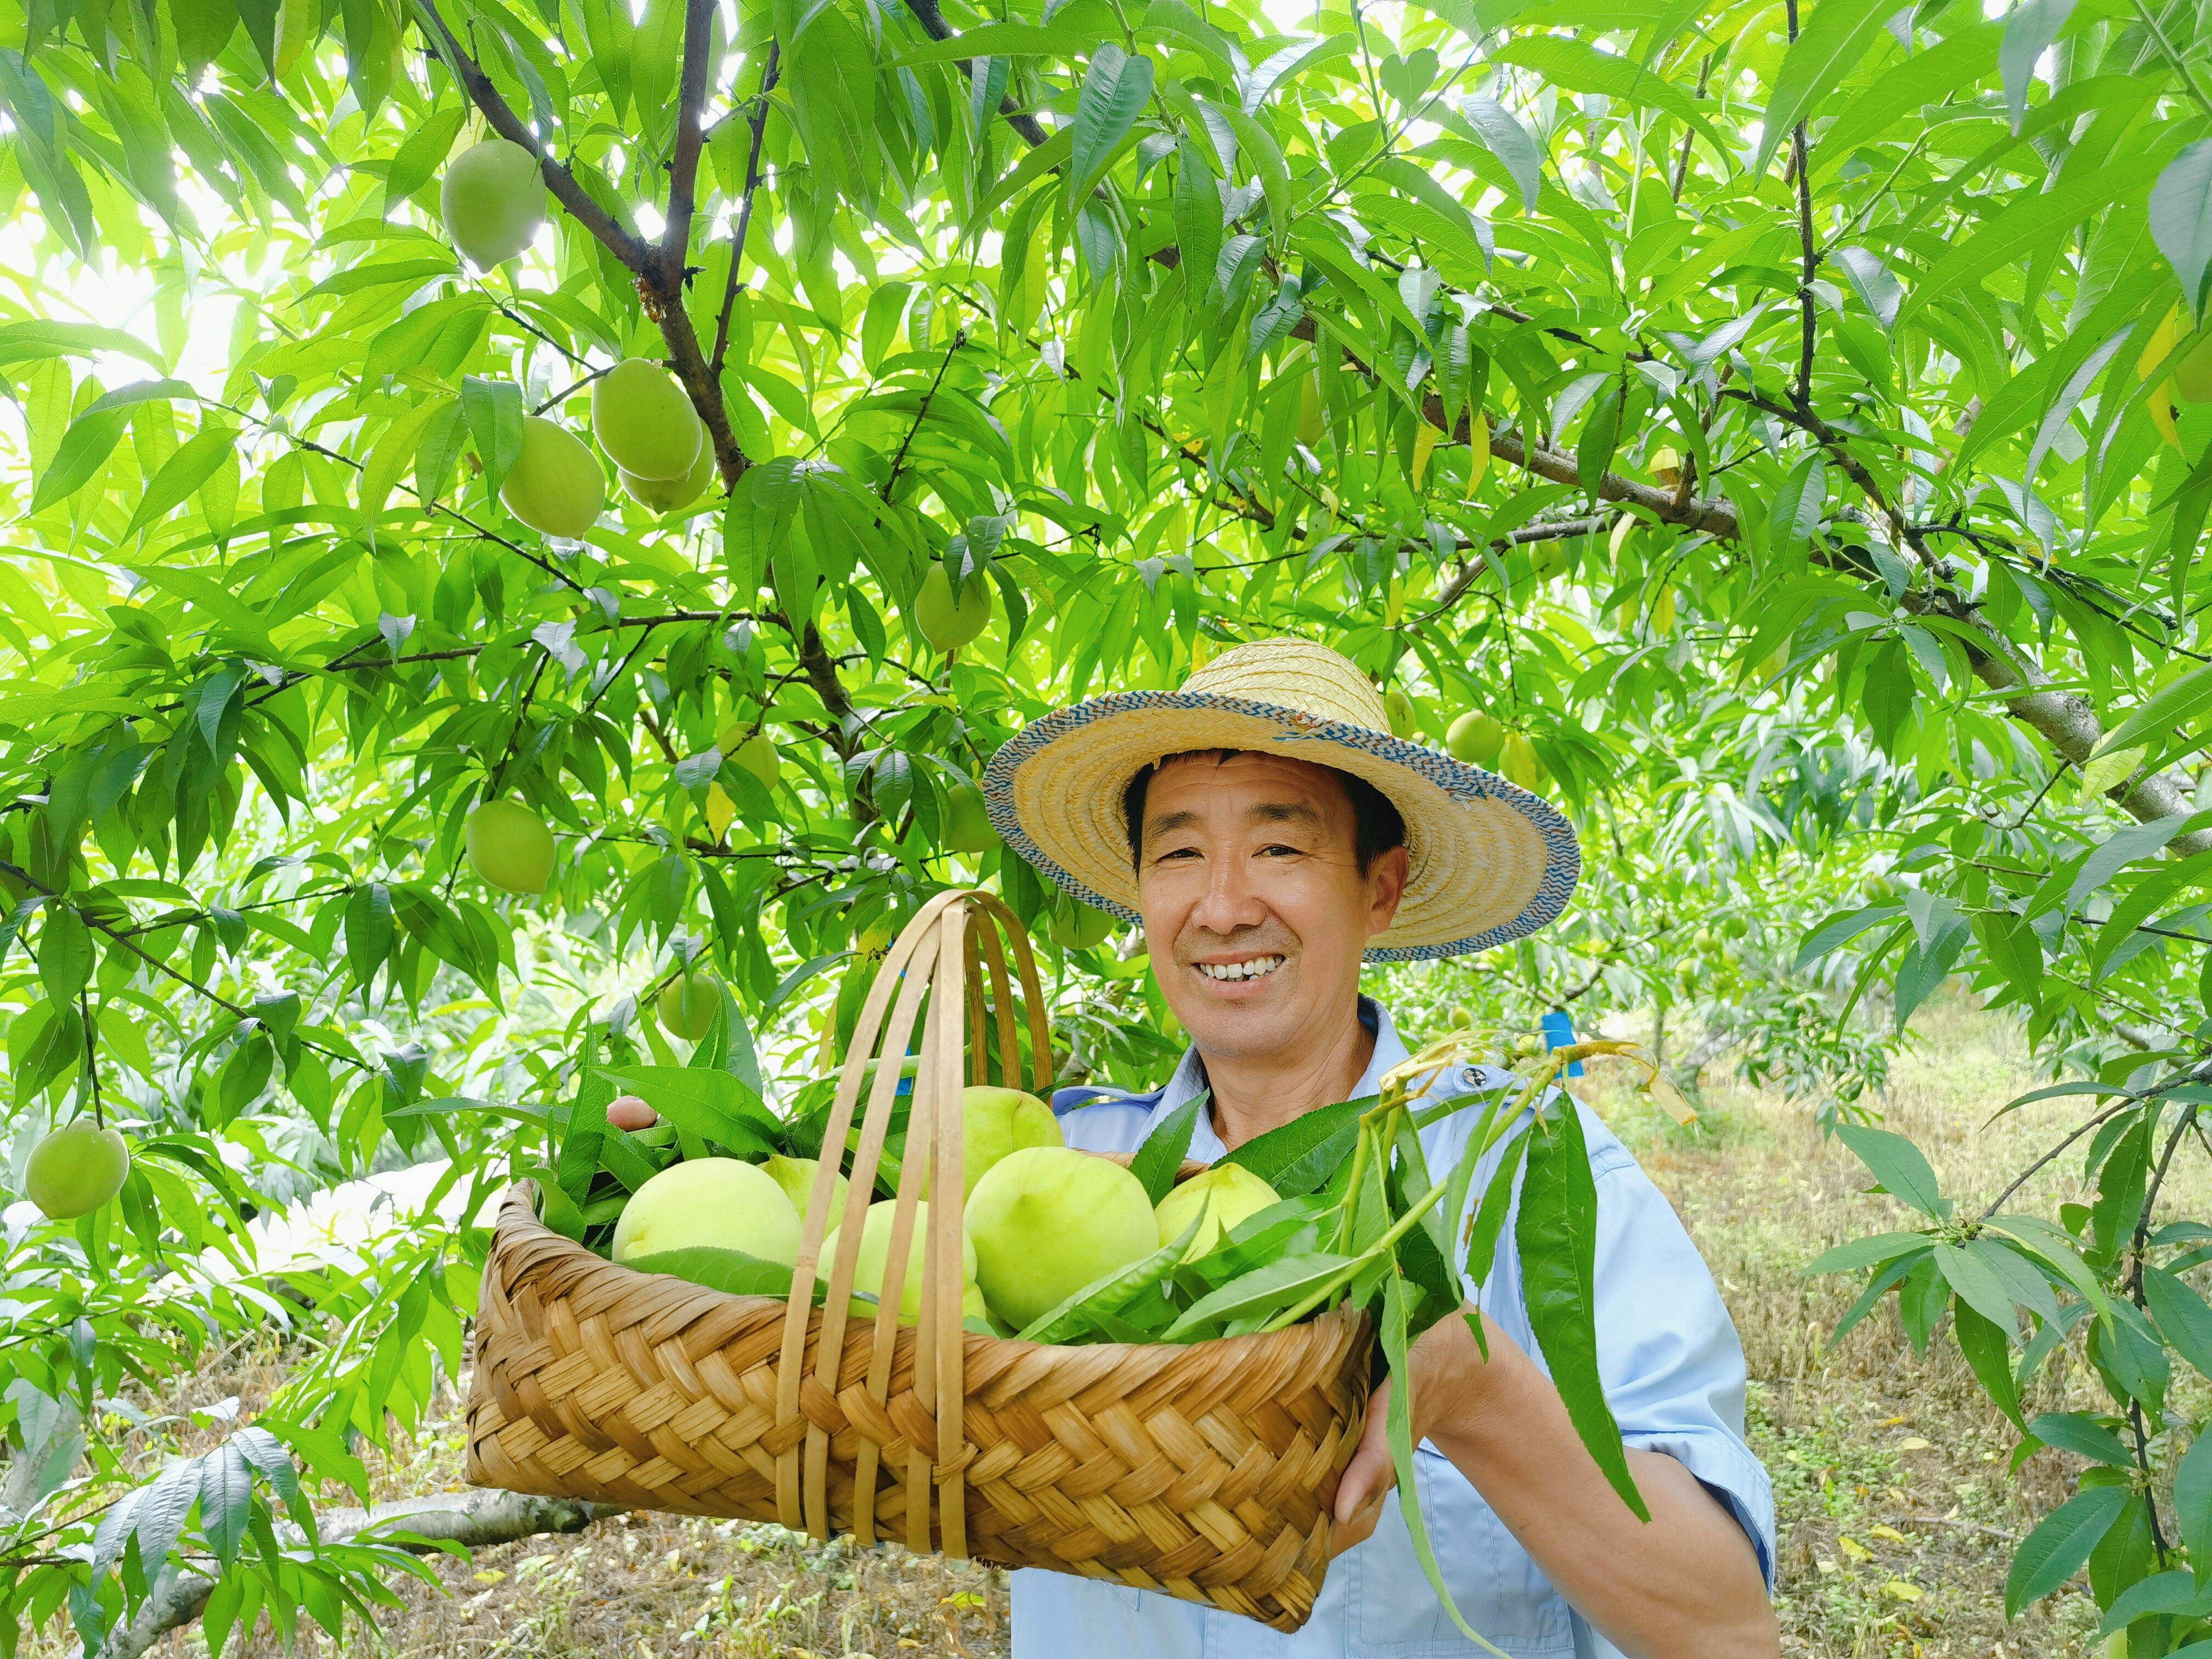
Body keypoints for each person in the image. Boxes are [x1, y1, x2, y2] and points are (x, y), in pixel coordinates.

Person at [978, 637, 1778, 1659]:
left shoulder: (1523, 1169)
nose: (1223, 907)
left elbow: (1726, 1631)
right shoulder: (1063, 1169)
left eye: (1280, 848)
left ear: (1381, 890)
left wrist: (1474, 1388)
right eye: (1179, 853)